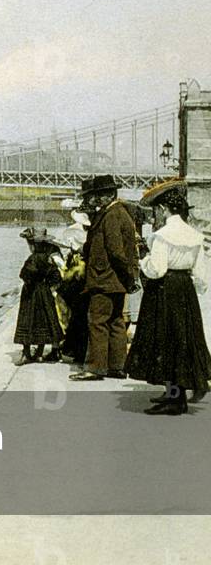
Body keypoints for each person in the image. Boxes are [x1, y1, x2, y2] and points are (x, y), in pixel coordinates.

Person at [124, 180, 211, 415]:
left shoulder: (162, 236)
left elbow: (157, 269)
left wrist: (143, 261)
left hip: (164, 290)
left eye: (155, 211)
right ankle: (175, 392)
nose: (155, 216)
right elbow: (202, 273)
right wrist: (192, 291)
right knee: (182, 339)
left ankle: (175, 400)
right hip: (185, 289)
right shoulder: (194, 235)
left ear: (162, 209)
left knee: (164, 339)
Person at [70, 175, 138, 381]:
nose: (95, 199)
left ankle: (95, 368)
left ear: (110, 195)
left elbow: (116, 251)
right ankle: (117, 366)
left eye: (99, 195)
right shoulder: (118, 213)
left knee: (97, 322)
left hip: (104, 279)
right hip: (114, 280)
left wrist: (128, 276)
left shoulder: (111, 215)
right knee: (116, 321)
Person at [13, 228, 64, 365]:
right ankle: (40, 354)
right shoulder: (49, 259)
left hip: (31, 293)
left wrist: (29, 281)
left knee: (28, 321)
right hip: (45, 292)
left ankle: (26, 352)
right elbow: (56, 277)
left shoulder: (33, 258)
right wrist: (48, 286)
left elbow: (24, 275)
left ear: (34, 244)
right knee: (43, 321)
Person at [55, 209, 91, 364]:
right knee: (81, 317)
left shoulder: (75, 237)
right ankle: (77, 349)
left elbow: (71, 273)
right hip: (84, 282)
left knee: (75, 316)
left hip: (78, 283)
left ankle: (74, 349)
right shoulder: (91, 235)